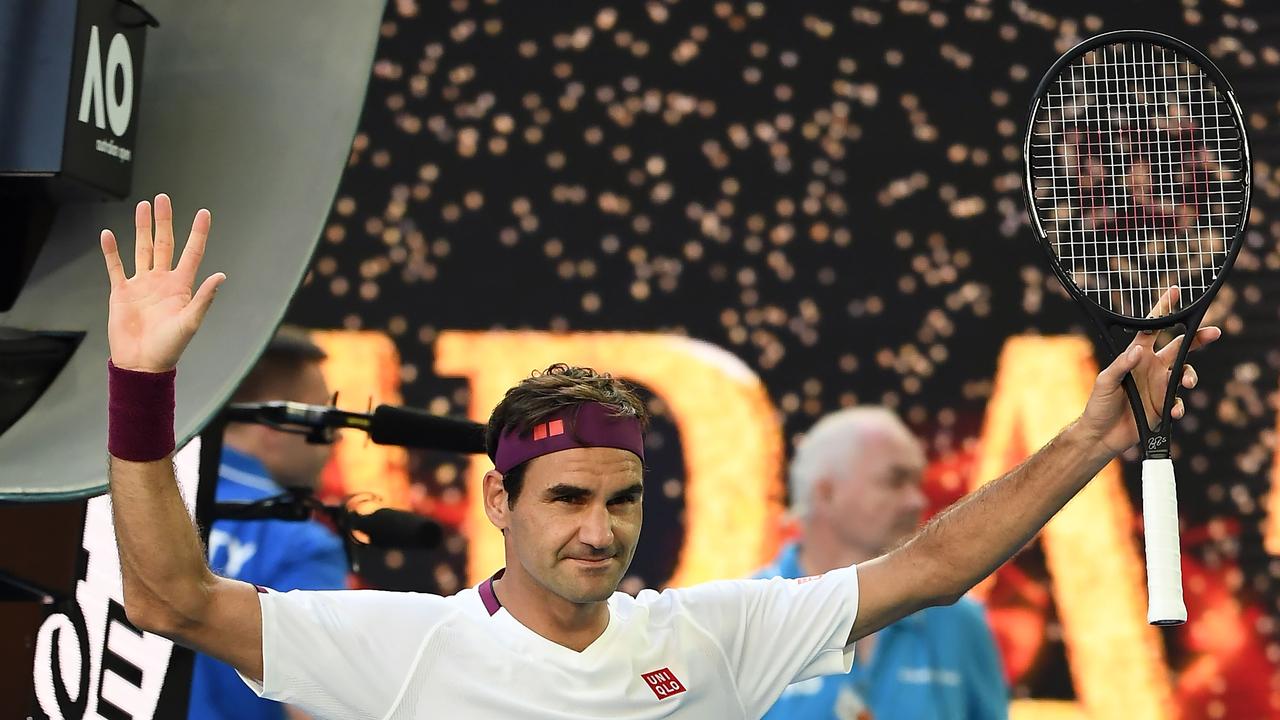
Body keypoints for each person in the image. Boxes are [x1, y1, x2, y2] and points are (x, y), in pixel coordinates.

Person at [99, 195, 1216, 719]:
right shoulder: (399, 649)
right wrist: (142, 385)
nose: (600, 529)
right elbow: (167, 595)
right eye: (569, 498)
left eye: (622, 498)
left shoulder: (708, 638)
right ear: (498, 499)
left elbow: (931, 570)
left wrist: (1087, 439)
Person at [757, 408, 1006, 720]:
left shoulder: (959, 622)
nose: (916, 501)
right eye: (895, 481)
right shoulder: (743, 616)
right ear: (826, 493)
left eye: (916, 482)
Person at [187, 327, 348, 720]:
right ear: (276, 425)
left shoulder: (126, 507)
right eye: (323, 418)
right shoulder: (302, 544)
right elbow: (313, 707)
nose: (338, 437)